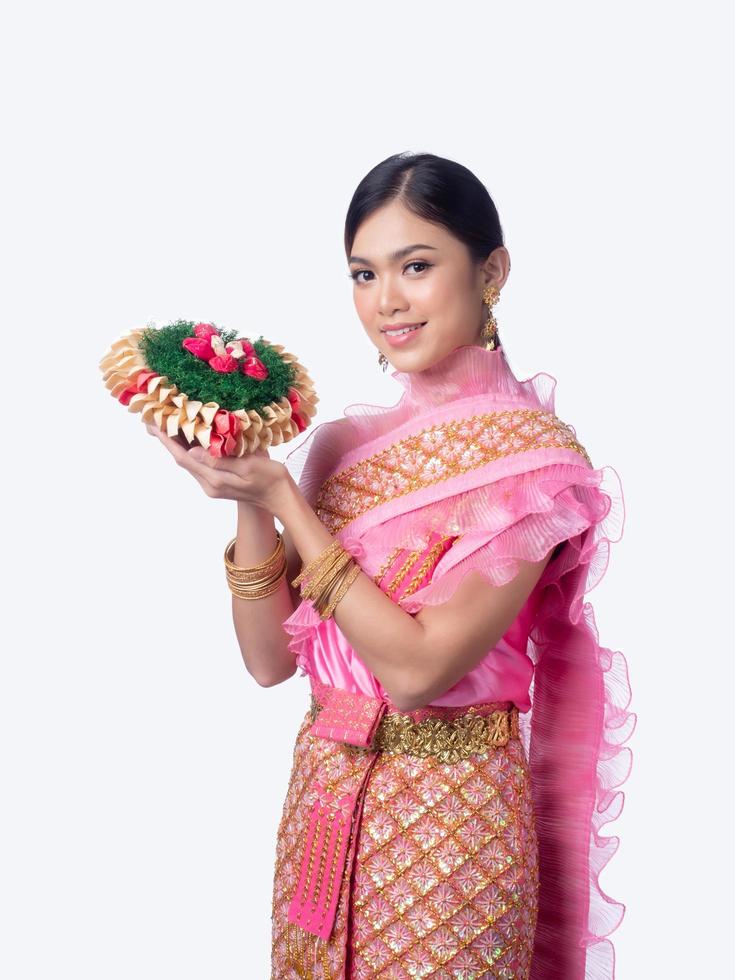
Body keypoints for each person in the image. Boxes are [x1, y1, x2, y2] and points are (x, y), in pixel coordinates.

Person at [145, 151, 634, 980]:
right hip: (324, 799)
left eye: (416, 266)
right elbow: (268, 662)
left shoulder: (533, 468)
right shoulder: (342, 448)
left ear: (491, 270)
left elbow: (415, 671)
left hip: (453, 831)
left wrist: (287, 500)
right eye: (363, 274)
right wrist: (249, 491)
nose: (387, 302)